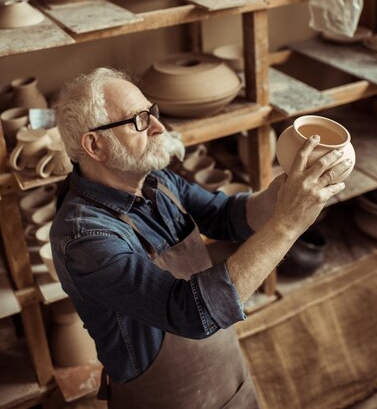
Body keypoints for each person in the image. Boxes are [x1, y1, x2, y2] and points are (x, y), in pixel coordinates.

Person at [50, 67, 351, 409]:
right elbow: (192, 314)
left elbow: (227, 216)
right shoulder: (84, 238)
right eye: (139, 120)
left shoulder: (158, 182)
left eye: (153, 113)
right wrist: (288, 225)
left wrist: (285, 191)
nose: (159, 127)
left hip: (229, 386)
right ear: (95, 145)